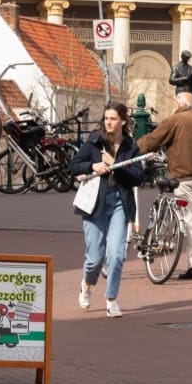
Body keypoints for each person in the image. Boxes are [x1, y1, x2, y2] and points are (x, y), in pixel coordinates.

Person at [69, 102, 145, 318]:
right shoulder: (94, 142)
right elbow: (74, 165)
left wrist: (115, 166)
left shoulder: (131, 146)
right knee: (94, 257)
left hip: (120, 202)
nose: (109, 122)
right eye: (106, 118)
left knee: (116, 254)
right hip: (96, 203)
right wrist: (92, 166)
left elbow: (138, 177)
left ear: (122, 121)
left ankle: (111, 299)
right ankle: (86, 284)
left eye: (113, 118)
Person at [137, 91, 192, 279]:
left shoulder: (176, 120)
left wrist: (131, 149)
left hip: (183, 176)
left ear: (179, 104)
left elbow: (153, 140)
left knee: (188, 219)